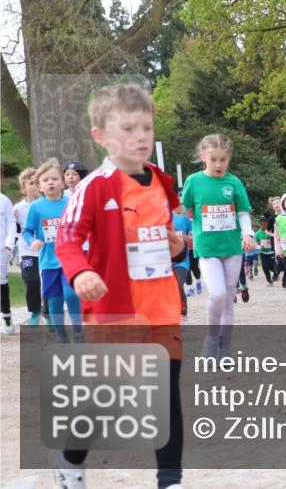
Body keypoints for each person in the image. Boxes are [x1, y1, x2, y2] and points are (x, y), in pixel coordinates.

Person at [54, 82, 188, 489]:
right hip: (116, 308)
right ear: (102, 137)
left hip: (162, 304)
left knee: (166, 392)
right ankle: (70, 459)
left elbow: (172, 245)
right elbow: (67, 239)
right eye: (128, 129)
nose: (140, 137)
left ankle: (170, 480)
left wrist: (179, 246)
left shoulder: (163, 185)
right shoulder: (94, 186)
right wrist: (81, 273)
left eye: (146, 128)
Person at [180, 134, 256, 359]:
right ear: (203, 157)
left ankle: (225, 349)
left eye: (223, 160)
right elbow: (184, 211)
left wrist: (248, 234)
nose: (219, 164)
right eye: (213, 159)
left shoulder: (234, 183)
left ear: (229, 158)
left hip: (232, 248)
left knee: (229, 300)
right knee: (218, 294)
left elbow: (242, 213)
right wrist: (174, 229)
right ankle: (211, 340)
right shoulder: (194, 182)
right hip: (207, 248)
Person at [23, 159, 82, 342]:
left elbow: (81, 224)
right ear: (40, 186)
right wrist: (33, 241)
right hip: (48, 261)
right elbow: (27, 231)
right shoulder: (36, 207)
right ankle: (62, 335)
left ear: (63, 182)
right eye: (46, 180)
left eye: (55, 179)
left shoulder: (71, 202)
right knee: (55, 301)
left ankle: (78, 331)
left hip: (70, 259)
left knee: (71, 294)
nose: (51, 183)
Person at [13, 168, 42, 326]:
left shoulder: (47, 204)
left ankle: (49, 313)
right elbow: (13, 229)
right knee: (31, 281)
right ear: (24, 189)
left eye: (37, 182)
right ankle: (35, 312)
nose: (35, 186)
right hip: (27, 252)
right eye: (31, 183)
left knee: (49, 284)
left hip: (47, 251)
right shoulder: (17, 209)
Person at [171, 204, 193, 323]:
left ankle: (183, 315)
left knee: (178, 285)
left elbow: (192, 231)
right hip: (163, 262)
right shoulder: (157, 221)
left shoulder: (183, 220)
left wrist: (190, 238)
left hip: (181, 261)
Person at [0, 186, 16, 334]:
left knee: (1, 281)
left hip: (1, 248)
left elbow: (11, 223)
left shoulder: (4, 201)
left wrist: (9, 244)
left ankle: (6, 316)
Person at [256, 216, 277, 286]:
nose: (263, 226)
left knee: (272, 266)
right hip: (263, 252)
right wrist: (259, 246)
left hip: (271, 252)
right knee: (265, 267)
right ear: (259, 225)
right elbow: (256, 243)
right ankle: (269, 281)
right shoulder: (257, 233)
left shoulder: (270, 232)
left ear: (267, 224)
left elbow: (276, 239)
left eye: (265, 224)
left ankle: (275, 274)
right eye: (262, 224)